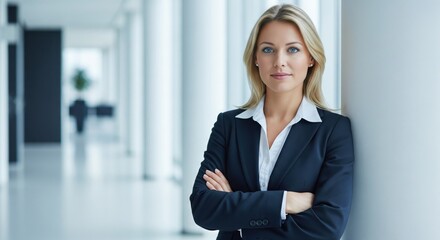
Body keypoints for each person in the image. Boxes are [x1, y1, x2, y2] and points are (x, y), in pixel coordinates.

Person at [190, 4, 354, 240]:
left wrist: (237, 219)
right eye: (268, 49)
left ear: (311, 58)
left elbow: (327, 228)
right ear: (256, 58)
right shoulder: (229, 125)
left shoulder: (333, 131)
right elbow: (203, 208)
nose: (279, 61)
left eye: (293, 50)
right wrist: (286, 201)